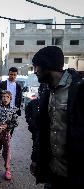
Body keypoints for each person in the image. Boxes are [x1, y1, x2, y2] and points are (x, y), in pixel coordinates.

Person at [30, 46, 84, 189]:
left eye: (36, 67)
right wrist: (36, 159)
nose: (34, 71)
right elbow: (42, 131)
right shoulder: (46, 90)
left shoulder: (79, 89)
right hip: (53, 173)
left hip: (75, 176)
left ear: (47, 66)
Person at [0, 90, 18, 180]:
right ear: (1, 98)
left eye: (7, 97)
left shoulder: (13, 109)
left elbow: (16, 123)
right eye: (3, 97)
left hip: (6, 133)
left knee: (7, 151)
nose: (5, 98)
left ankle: (7, 169)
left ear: (10, 98)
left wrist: (8, 125)